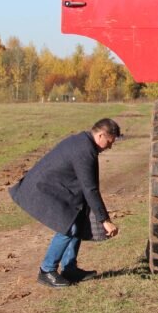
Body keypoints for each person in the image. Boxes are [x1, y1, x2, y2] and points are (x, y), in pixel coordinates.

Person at [9, 118, 121, 288]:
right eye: (109, 142)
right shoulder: (84, 150)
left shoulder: (84, 143)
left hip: (56, 186)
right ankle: (47, 271)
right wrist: (105, 220)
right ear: (100, 135)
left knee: (77, 220)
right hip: (43, 188)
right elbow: (90, 188)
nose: (110, 147)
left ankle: (69, 269)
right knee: (68, 227)